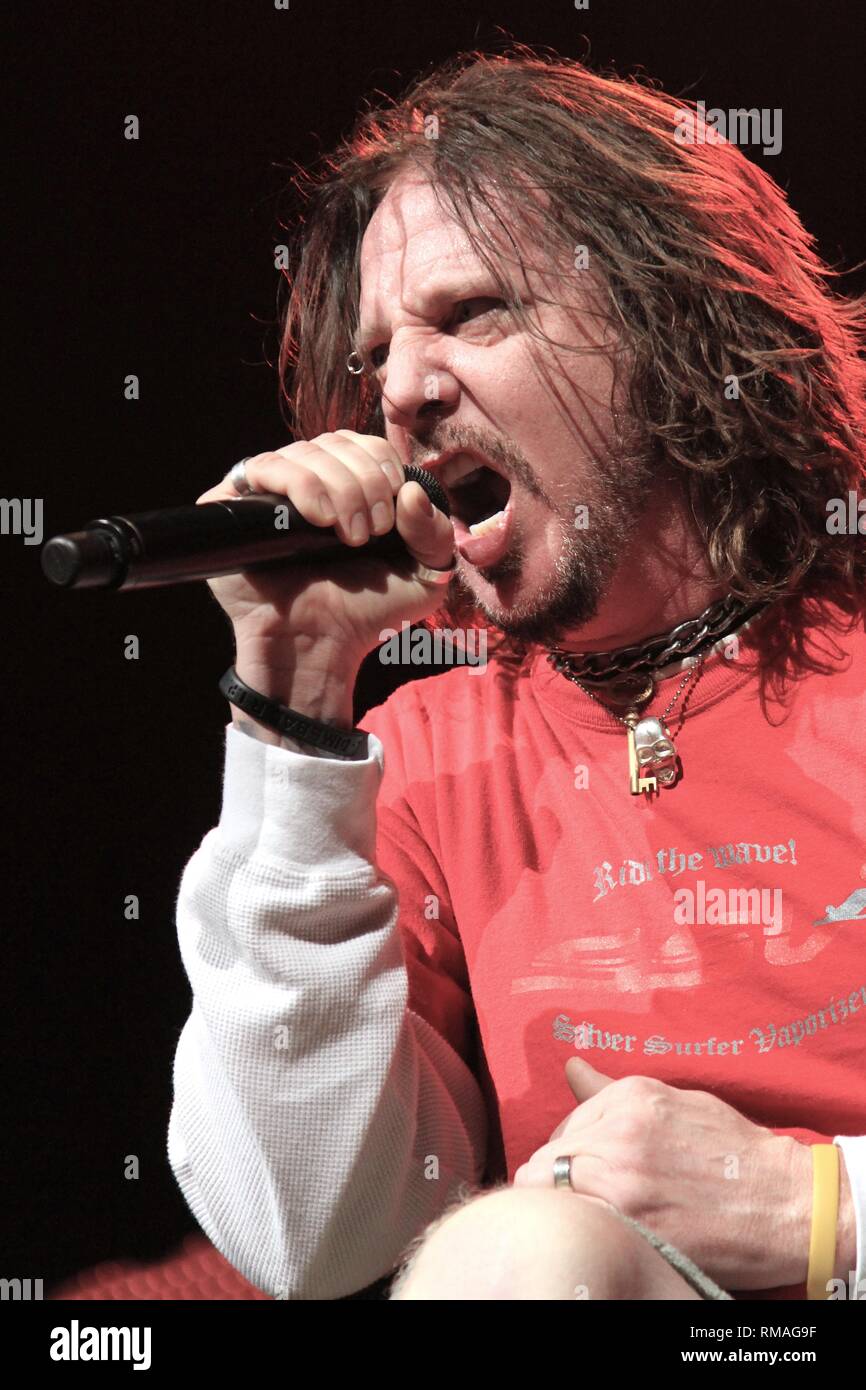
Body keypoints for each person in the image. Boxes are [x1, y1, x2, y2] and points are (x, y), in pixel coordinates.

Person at [167, 46, 866, 1301]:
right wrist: (291, 700)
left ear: (676, 323)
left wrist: (818, 1210)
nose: (398, 392)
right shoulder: (428, 757)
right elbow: (317, 1234)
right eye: (376, 351)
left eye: (470, 313)